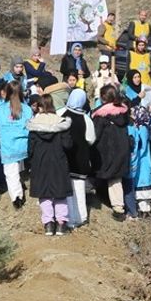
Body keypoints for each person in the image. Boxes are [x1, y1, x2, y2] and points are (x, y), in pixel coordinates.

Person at [27, 95, 74, 236]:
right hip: (58, 162)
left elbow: (30, 149)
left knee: (44, 194)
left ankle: (48, 224)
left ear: (40, 107)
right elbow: (68, 145)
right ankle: (61, 224)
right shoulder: (61, 123)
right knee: (60, 193)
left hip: (40, 163)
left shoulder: (34, 125)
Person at [91, 84, 131, 220]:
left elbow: (95, 135)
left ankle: (116, 207)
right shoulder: (124, 112)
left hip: (106, 151)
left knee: (110, 178)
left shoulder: (100, 115)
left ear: (103, 98)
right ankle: (118, 206)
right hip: (122, 149)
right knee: (116, 178)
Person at [57, 88, 96, 228]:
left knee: (67, 191)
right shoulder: (86, 119)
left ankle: (70, 219)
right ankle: (82, 217)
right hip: (81, 160)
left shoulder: (60, 113)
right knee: (79, 190)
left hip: (64, 158)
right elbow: (91, 139)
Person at [0, 80, 32, 208]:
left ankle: (17, 198)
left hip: (8, 146)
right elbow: (31, 126)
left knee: (11, 173)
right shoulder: (27, 109)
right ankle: (21, 183)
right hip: (23, 145)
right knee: (18, 166)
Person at [126, 87, 151, 218]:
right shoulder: (144, 128)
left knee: (142, 193)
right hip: (144, 163)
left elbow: (140, 148)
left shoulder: (141, 129)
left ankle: (143, 213)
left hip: (141, 164)